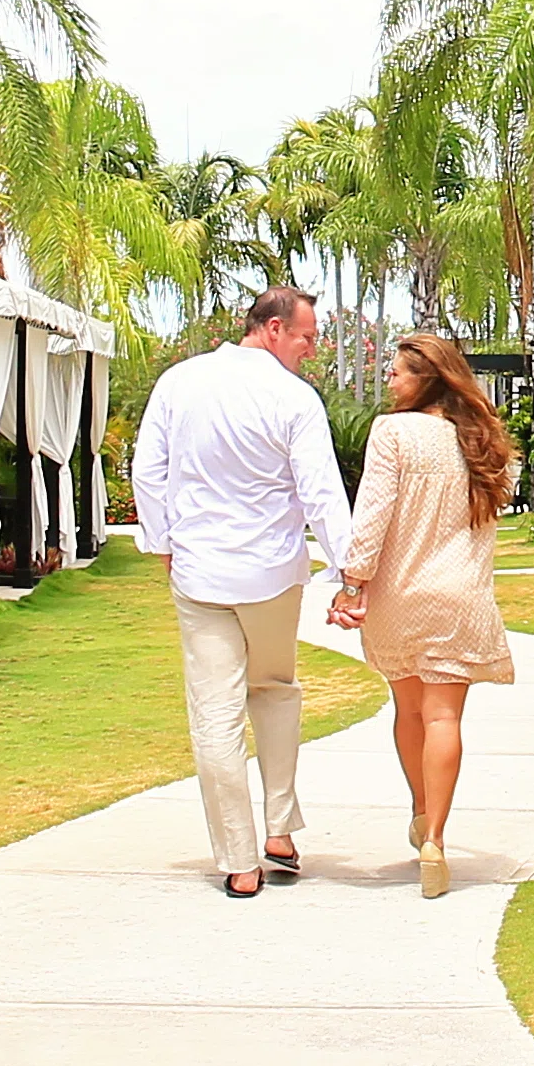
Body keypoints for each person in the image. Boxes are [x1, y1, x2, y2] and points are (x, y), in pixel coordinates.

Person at [126, 286, 349, 898]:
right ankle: (278, 825)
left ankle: (240, 858)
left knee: (214, 715)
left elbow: (148, 470)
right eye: (306, 336)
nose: (312, 348)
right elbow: (321, 492)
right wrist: (350, 570)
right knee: (274, 689)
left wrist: (163, 541)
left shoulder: (180, 382)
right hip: (272, 576)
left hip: (200, 572)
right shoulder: (293, 398)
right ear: (273, 329)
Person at [331, 333, 519, 898]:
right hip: (460, 595)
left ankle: (419, 808)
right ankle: (436, 835)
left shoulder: (393, 433)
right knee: (445, 719)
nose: (389, 380)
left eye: (397, 372)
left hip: (401, 595)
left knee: (409, 711)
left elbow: (373, 514)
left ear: (427, 378)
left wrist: (351, 584)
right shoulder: (483, 443)